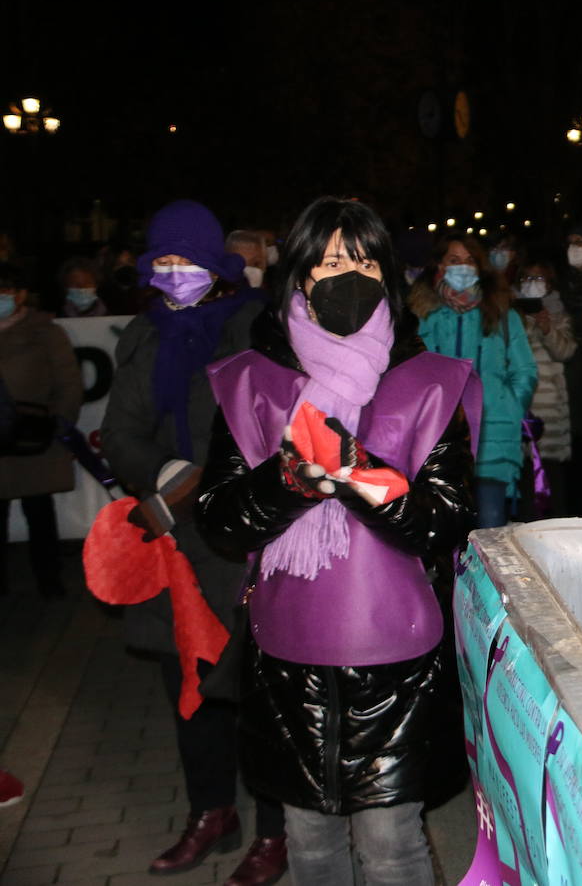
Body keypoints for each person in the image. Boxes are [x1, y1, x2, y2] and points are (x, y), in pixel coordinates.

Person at [196, 196, 478, 886]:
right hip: (287, 650)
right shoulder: (252, 384)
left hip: (395, 654)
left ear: (387, 273)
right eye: (327, 262)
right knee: (310, 842)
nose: (346, 275)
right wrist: (289, 479)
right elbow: (221, 520)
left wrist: (358, 473)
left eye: (362, 260)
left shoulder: (429, 383)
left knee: (390, 845)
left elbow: (443, 522)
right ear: (296, 277)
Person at [99, 199, 286, 883]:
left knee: (255, 686)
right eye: (164, 262)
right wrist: (165, 481)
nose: (176, 273)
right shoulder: (142, 338)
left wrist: (213, 486)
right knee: (188, 686)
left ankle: (274, 826)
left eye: (189, 260)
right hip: (167, 537)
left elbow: (264, 426)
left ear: (217, 267)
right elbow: (119, 430)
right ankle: (211, 809)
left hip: (235, 538)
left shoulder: (248, 329)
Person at [411, 234, 537, 528]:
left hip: (494, 434)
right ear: (439, 266)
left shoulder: (501, 313)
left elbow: (525, 370)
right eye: (454, 261)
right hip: (437, 431)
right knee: (440, 525)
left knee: (490, 524)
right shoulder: (421, 315)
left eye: (469, 261)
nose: (463, 267)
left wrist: (509, 408)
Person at [0, 263, 82, 597]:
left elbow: (69, 382)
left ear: (20, 294)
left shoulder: (44, 331)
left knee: (39, 512)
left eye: (4, 291)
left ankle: (48, 578)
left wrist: (60, 421)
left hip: (35, 437)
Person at [513, 262, 576, 517]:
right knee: (524, 477)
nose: (533, 282)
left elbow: (566, 351)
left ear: (549, 284)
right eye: (527, 277)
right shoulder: (510, 316)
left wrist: (547, 327)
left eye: (539, 277)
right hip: (522, 409)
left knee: (552, 478)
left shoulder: (558, 315)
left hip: (550, 413)